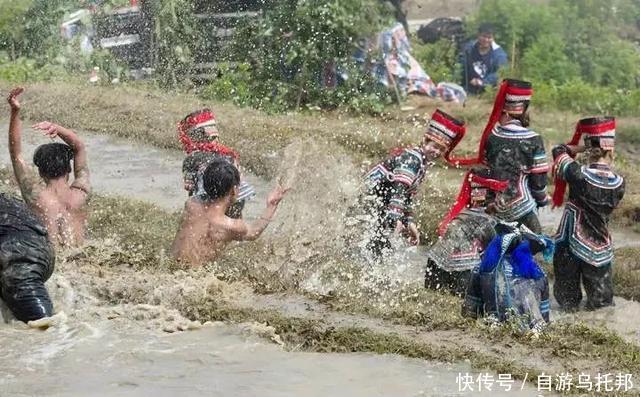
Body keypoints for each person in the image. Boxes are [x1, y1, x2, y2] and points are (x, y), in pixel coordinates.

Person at [448, 79, 549, 233]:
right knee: (537, 245)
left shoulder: (492, 136)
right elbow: (538, 182)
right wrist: (542, 200)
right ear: (524, 109)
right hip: (521, 206)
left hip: (491, 205)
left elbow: (487, 170)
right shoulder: (534, 139)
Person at [363, 109, 466, 258]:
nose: (436, 152)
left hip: (381, 203)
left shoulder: (422, 163)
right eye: (434, 146)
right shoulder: (413, 158)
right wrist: (395, 218)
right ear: (425, 141)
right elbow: (399, 187)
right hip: (371, 201)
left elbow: (406, 195)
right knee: (377, 247)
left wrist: (409, 222)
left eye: (441, 149)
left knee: (379, 248)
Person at [551, 117, 625, 311]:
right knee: (603, 306)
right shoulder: (619, 183)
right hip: (600, 246)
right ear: (611, 149)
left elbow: (559, 150)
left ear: (589, 148)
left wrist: (581, 147)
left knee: (567, 303)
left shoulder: (578, 174)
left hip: (570, 242)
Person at [7, 87, 91, 247]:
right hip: (80, 256)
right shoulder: (81, 193)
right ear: (69, 169)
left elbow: (16, 154)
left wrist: (15, 112)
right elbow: (79, 147)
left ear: (40, 172)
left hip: (55, 263)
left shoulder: (37, 197)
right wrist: (57, 128)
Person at [172, 159, 289, 265]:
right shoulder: (232, 226)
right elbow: (254, 233)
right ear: (234, 190)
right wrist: (271, 206)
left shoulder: (191, 205)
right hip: (196, 279)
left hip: (174, 266)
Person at [425, 167, 508, 295]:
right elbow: (496, 254)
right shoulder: (488, 222)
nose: (503, 199)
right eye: (500, 193)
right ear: (494, 196)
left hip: (435, 262)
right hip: (463, 269)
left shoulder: (461, 215)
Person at [462, 223, 552, 333]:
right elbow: (545, 318)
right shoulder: (539, 273)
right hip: (534, 332)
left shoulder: (482, 270)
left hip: (497, 331)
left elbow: (470, 314)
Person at [179, 108, 255, 219]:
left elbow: (189, 186)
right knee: (235, 219)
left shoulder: (192, 159)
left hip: (208, 199)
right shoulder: (228, 154)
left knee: (202, 217)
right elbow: (239, 176)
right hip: (236, 195)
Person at [0, 193, 55, 322]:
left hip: (20, 251)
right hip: (42, 249)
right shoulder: (8, 199)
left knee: (42, 324)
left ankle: (60, 338)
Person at [459, 23, 508, 95]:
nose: (486, 40)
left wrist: (483, 82)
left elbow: (500, 73)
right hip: (467, 88)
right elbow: (461, 65)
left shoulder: (499, 54)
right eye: (484, 36)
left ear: (493, 38)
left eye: (489, 37)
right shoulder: (469, 48)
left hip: (487, 90)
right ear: (478, 35)